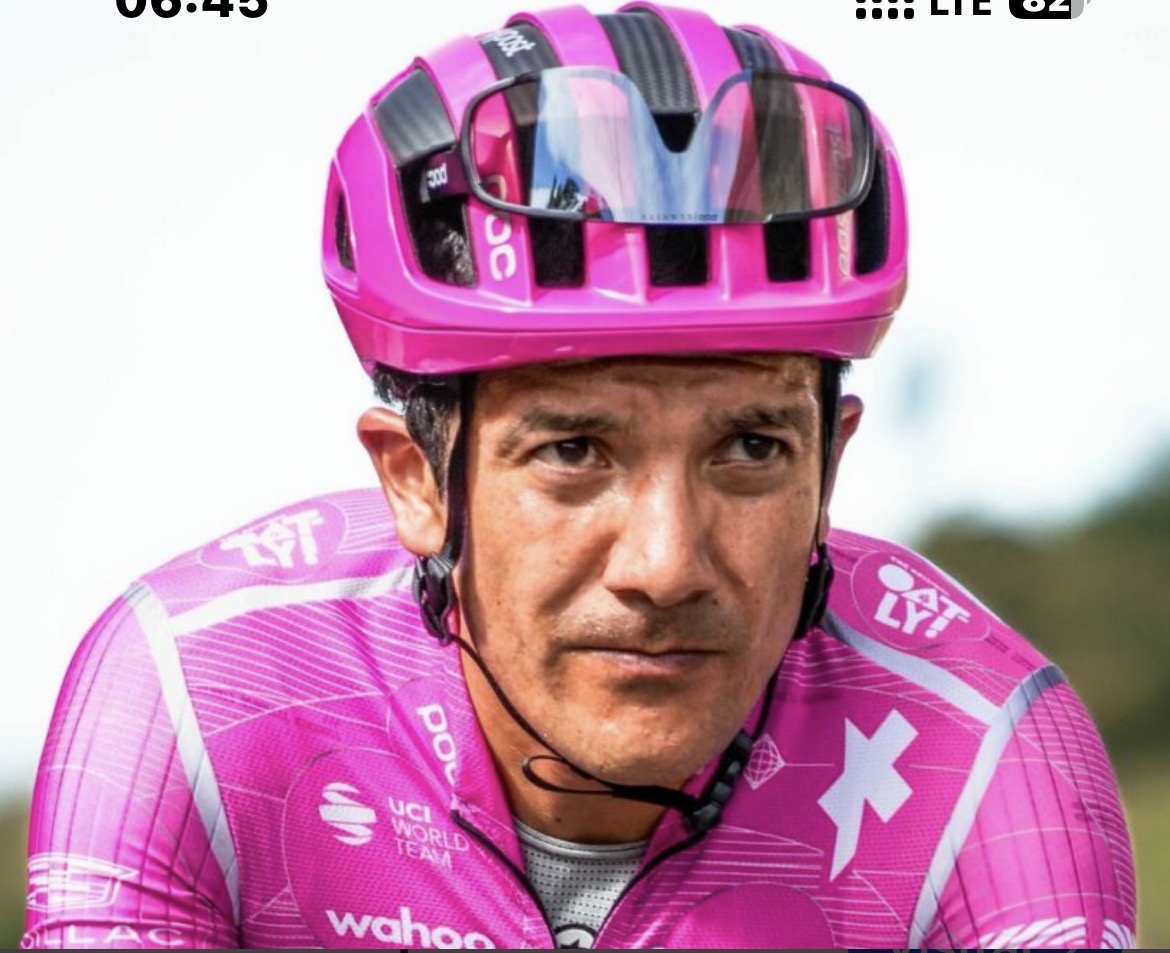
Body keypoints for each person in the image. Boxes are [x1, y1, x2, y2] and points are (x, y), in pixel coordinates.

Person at [23, 4, 1136, 950]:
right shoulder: (199, 699)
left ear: (830, 467)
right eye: (573, 451)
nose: (666, 564)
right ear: (416, 480)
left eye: (751, 448)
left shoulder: (983, 750)